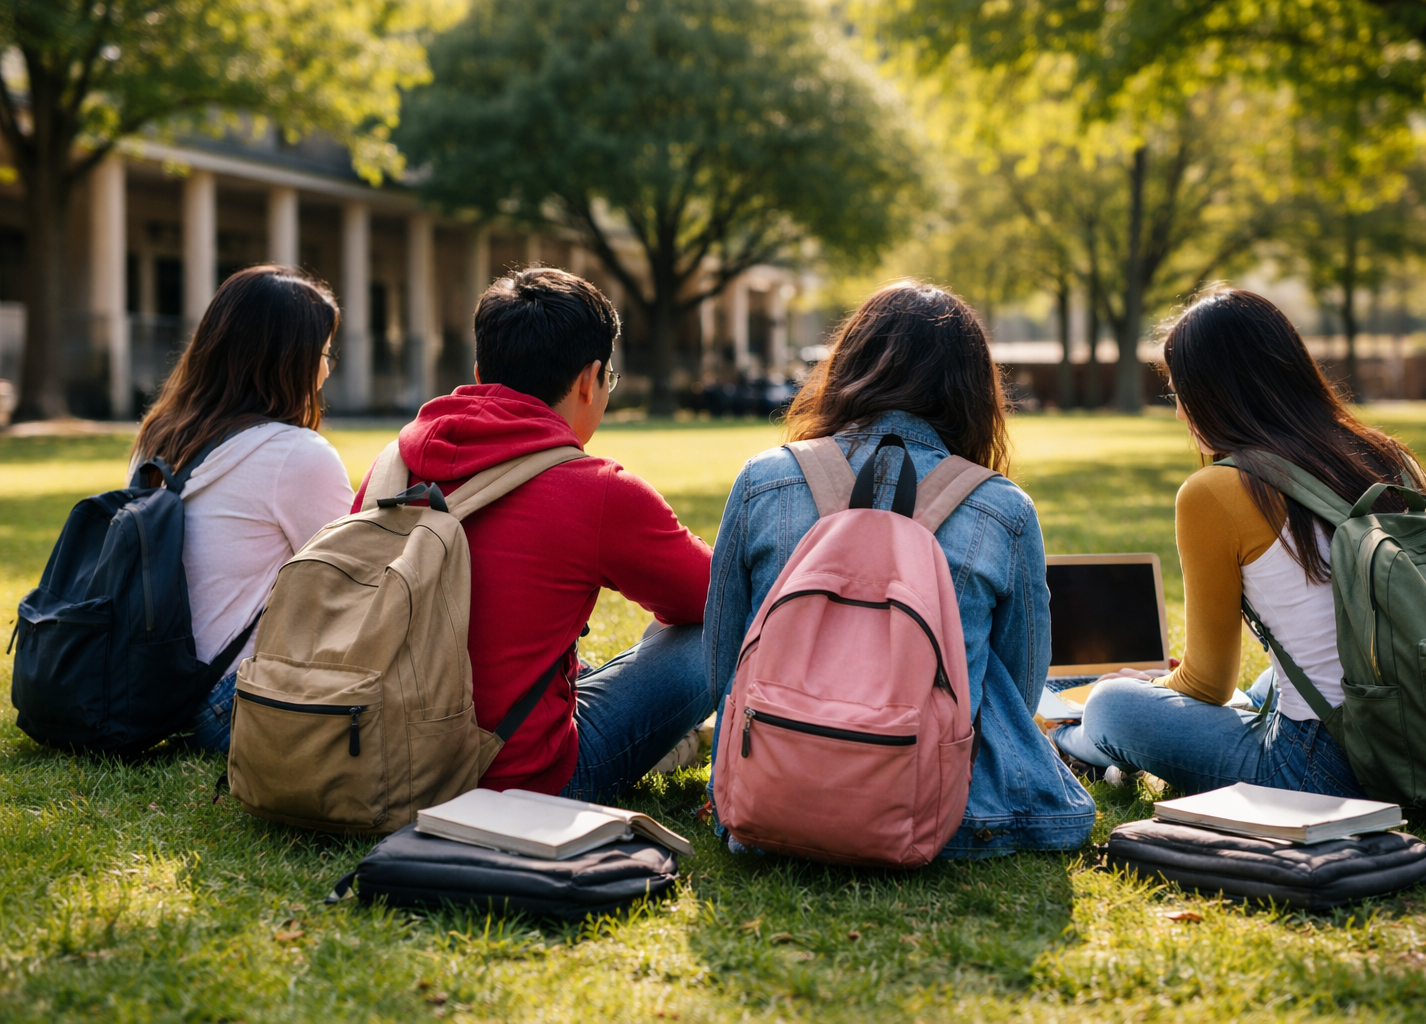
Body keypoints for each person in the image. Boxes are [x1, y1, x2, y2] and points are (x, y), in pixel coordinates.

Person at [704, 280, 1098, 856]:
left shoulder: (764, 479)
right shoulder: (1001, 508)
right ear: (973, 391)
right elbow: (1017, 682)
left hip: (768, 804)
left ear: (848, 365)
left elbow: (721, 667)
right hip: (941, 809)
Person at [1052, 289, 1426, 796]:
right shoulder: (1387, 456)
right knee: (1271, 684)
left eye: (1178, 393)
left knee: (1111, 704)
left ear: (1212, 393)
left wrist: (1143, 691)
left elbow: (1207, 684)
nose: (1178, 414)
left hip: (1326, 763)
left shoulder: (1218, 489)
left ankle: (1074, 739)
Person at [350, 268, 715, 802]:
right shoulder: (597, 490)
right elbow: (716, 594)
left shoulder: (393, 466)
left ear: (478, 371)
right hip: (518, 778)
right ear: (590, 379)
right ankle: (672, 743)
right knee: (711, 637)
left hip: (377, 754)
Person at [130, 265, 356, 752]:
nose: (326, 368)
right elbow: (353, 586)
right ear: (288, 360)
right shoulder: (297, 454)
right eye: (322, 353)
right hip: (230, 702)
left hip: (156, 691)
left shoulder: (160, 435)